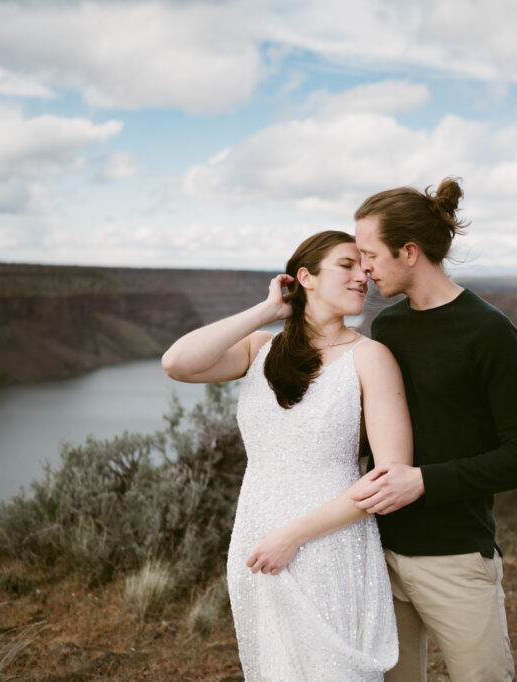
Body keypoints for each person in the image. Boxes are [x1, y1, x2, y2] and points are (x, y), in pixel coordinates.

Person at [161, 230, 411, 681]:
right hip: (256, 536)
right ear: (305, 277)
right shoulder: (260, 348)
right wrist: (269, 310)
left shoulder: (370, 357)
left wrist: (293, 536)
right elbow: (177, 363)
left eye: (364, 268)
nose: (363, 277)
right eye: (346, 265)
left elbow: (388, 477)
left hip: (329, 543)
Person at [351, 177, 517, 681]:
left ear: (409, 251)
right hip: (381, 553)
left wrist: (424, 481)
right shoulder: (388, 326)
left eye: (370, 254)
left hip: (456, 559)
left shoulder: (490, 332)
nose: (364, 268)